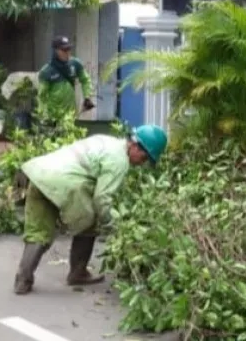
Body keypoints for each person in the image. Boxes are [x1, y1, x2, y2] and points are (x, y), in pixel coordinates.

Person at [13, 124, 168, 295]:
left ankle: (22, 280)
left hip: (38, 174)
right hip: (65, 185)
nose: (141, 163)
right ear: (136, 146)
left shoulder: (105, 140)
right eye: (144, 158)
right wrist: (113, 226)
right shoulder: (119, 161)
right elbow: (102, 199)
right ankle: (77, 273)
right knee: (90, 222)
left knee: (38, 232)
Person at [37, 36, 95, 119]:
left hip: (70, 115)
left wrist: (87, 97)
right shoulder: (46, 71)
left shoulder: (75, 64)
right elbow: (42, 97)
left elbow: (85, 80)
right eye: (64, 50)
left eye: (69, 49)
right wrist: (43, 116)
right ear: (56, 51)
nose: (68, 52)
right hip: (53, 116)